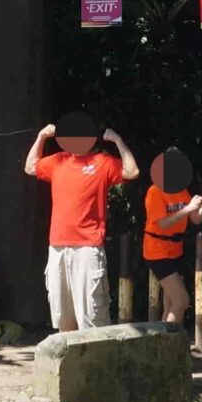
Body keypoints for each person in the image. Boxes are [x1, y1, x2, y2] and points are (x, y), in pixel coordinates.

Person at [22, 110, 137, 332]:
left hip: (88, 247)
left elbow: (132, 172)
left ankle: (99, 364)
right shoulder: (58, 161)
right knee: (63, 318)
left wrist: (118, 141)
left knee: (92, 318)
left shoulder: (102, 162)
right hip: (58, 248)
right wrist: (41, 137)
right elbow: (29, 167)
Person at [141, 147, 202, 328]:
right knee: (182, 300)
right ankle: (166, 342)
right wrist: (189, 208)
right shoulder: (155, 191)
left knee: (171, 303)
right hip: (157, 251)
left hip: (175, 250)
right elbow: (162, 223)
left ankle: (167, 346)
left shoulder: (182, 190)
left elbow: (195, 219)